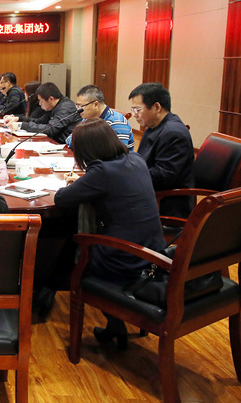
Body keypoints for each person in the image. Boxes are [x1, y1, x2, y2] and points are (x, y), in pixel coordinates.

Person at [54, 119, 166, 348]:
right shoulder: (135, 159)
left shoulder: (102, 172)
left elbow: (61, 199)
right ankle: (114, 325)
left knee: (74, 249)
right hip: (155, 250)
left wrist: (76, 183)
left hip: (125, 257)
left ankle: (49, 291)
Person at [129, 82, 195, 218]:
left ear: (157, 107)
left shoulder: (173, 133)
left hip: (167, 203)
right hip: (150, 192)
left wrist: (127, 175)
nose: (134, 115)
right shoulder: (154, 126)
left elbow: (164, 176)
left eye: (137, 110)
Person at [5, 82, 79, 144]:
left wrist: (22, 125)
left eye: (41, 101)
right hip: (55, 142)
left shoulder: (65, 108)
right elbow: (40, 121)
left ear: (51, 99)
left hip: (64, 146)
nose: (40, 104)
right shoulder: (54, 106)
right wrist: (18, 119)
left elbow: (51, 129)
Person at [66, 85, 134, 150]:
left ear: (96, 104)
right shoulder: (88, 118)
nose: (78, 110)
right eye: (77, 106)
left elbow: (119, 153)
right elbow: (69, 141)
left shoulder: (117, 122)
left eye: (81, 106)